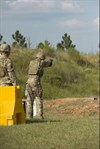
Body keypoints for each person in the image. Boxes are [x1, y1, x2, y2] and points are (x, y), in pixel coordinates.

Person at [25, 51, 53, 119]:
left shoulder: (31, 62)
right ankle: (40, 115)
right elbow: (48, 64)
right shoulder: (41, 62)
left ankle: (29, 116)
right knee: (38, 97)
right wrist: (50, 61)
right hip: (35, 80)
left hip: (28, 80)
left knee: (29, 99)